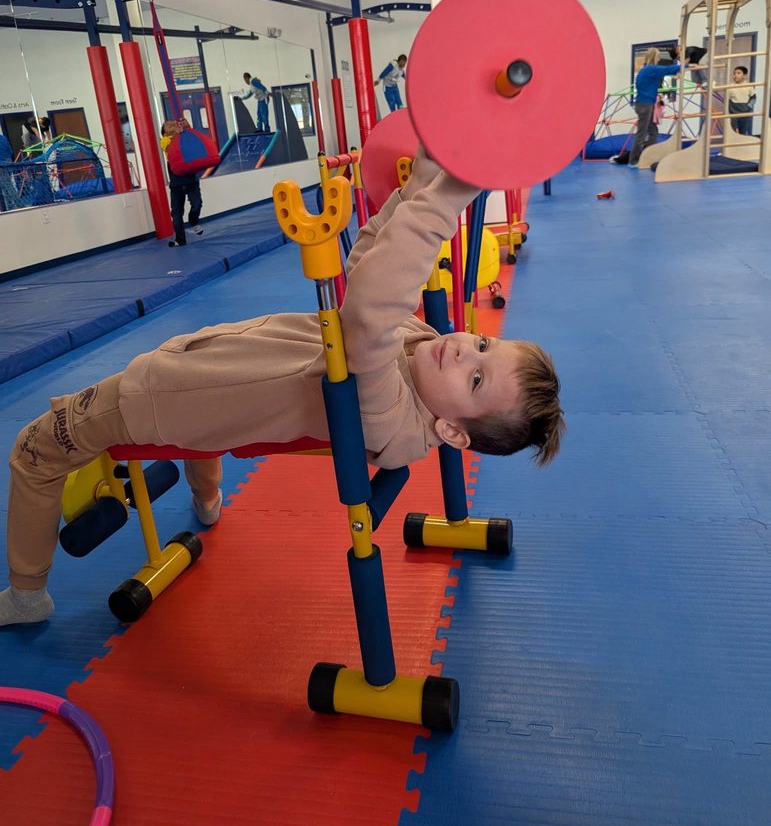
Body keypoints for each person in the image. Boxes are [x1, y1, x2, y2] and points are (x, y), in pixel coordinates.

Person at [0, 149, 565, 626]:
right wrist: (426, 175)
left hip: (158, 396)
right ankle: (208, 500)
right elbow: (370, 253)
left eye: (474, 378)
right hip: (210, 381)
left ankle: (27, 592)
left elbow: (369, 307)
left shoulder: (390, 413)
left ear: (450, 432)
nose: (467, 347)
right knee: (205, 432)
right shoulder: (421, 347)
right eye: (486, 348)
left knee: (34, 448)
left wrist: (454, 192)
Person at [627, 48, 683, 168]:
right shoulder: (651, 69)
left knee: (653, 131)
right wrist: (686, 65)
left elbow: (647, 85)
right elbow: (668, 69)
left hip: (644, 103)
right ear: (654, 57)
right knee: (642, 134)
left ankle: (647, 154)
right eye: (658, 57)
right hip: (645, 105)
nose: (659, 59)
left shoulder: (645, 70)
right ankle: (634, 160)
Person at [161, 119, 204, 248]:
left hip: (190, 179)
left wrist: (188, 127)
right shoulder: (165, 140)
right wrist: (179, 133)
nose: (172, 125)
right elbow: (173, 148)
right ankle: (180, 239)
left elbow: (193, 141)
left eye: (173, 123)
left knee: (197, 204)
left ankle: (193, 221)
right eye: (168, 125)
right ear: (164, 131)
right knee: (177, 213)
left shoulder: (183, 135)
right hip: (177, 182)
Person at [727, 66, 754, 136]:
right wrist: (729, 112)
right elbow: (727, 100)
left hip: (745, 113)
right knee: (734, 131)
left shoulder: (749, 86)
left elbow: (753, 97)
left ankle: (742, 145)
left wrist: (749, 108)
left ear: (744, 76)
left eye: (738, 73)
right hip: (734, 114)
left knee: (743, 132)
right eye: (734, 73)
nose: (735, 75)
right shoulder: (730, 86)